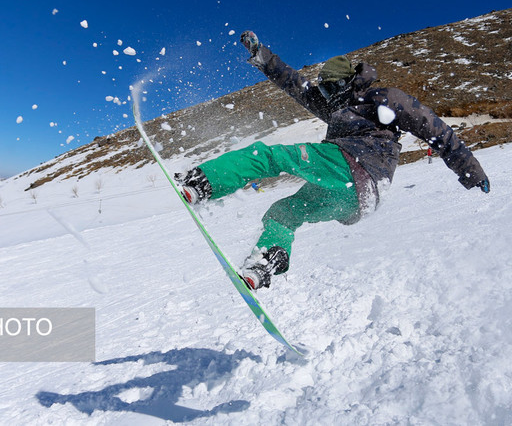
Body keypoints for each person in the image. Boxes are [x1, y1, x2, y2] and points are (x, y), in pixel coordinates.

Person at [176, 30, 490, 291]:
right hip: (357, 200)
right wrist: (262, 56)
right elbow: (293, 83)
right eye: (323, 88)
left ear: (346, 82)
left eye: (329, 87)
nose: (325, 95)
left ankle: (203, 183)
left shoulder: (384, 99)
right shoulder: (333, 103)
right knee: (283, 212)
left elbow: (438, 131)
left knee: (270, 156)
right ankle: (266, 261)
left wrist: (470, 172)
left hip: (356, 166)